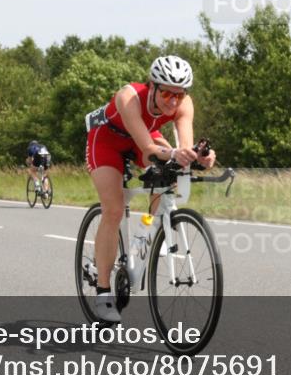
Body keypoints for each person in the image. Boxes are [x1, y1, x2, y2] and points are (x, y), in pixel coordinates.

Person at [84, 55, 216, 322]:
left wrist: (199, 157)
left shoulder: (183, 104)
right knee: (114, 209)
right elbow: (148, 148)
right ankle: (103, 291)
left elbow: (184, 148)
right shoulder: (129, 97)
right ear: (153, 86)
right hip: (108, 140)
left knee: (172, 173)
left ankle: (149, 236)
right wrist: (174, 154)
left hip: (143, 139)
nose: (173, 100)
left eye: (179, 95)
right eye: (167, 93)